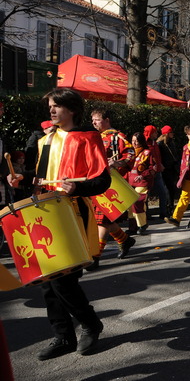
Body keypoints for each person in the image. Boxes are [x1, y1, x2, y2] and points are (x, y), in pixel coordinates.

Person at [9, 89, 110, 359]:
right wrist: (22, 178)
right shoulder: (46, 139)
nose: (51, 110)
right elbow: (41, 177)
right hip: (43, 212)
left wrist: (77, 187)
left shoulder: (88, 137)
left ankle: (90, 324)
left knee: (64, 280)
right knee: (47, 281)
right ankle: (63, 335)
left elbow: (102, 181)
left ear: (72, 109)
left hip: (72, 212)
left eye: (57, 106)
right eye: (50, 106)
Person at [88, 109, 136, 269]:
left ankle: (95, 257)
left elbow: (130, 154)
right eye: (92, 120)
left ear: (107, 120)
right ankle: (125, 240)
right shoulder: (93, 137)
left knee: (102, 221)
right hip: (95, 184)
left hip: (111, 185)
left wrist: (117, 163)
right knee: (105, 220)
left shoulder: (117, 137)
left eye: (97, 119)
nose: (94, 123)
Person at [127, 133, 157, 235]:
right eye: (133, 140)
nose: (134, 143)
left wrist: (143, 175)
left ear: (142, 141)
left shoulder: (148, 153)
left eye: (137, 141)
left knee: (137, 202)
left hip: (142, 182)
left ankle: (142, 224)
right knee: (129, 204)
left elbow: (153, 168)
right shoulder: (130, 153)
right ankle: (132, 227)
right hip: (130, 182)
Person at [143, 125, 167, 219]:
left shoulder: (154, 143)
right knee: (145, 194)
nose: (157, 134)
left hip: (157, 171)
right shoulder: (144, 143)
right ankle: (146, 214)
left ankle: (163, 212)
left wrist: (160, 164)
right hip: (149, 172)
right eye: (155, 132)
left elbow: (157, 156)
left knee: (162, 192)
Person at [157, 125, 180, 216]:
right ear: (167, 134)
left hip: (172, 168)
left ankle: (170, 207)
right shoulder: (160, 144)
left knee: (171, 189)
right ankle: (167, 208)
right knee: (167, 188)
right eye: (171, 132)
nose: (173, 134)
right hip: (165, 168)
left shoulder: (171, 142)